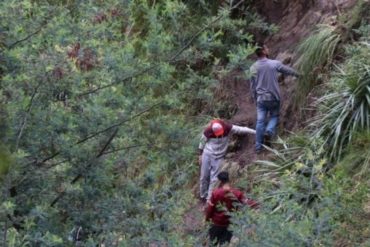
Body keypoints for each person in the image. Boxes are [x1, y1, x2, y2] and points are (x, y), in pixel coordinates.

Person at [249, 44, 299, 153]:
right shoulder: (274, 64)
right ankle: (269, 130)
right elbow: (287, 70)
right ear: (264, 51)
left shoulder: (253, 68)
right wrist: (298, 75)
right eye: (267, 48)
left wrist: (255, 99)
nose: (268, 49)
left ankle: (258, 147)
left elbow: (253, 86)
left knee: (260, 121)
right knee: (274, 116)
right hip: (273, 97)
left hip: (261, 99)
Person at [198, 119, 255, 202]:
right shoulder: (208, 131)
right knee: (204, 177)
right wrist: (200, 155)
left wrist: (255, 131)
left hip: (219, 157)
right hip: (207, 154)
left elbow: (241, 129)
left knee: (214, 179)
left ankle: (208, 200)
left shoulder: (227, 127)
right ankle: (203, 195)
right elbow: (202, 143)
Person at [205, 171, 259, 246]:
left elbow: (210, 209)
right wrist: (258, 204)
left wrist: (207, 219)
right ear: (228, 180)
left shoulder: (215, 193)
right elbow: (246, 202)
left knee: (212, 243)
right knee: (224, 244)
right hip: (229, 224)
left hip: (216, 223)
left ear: (219, 181)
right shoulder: (237, 193)